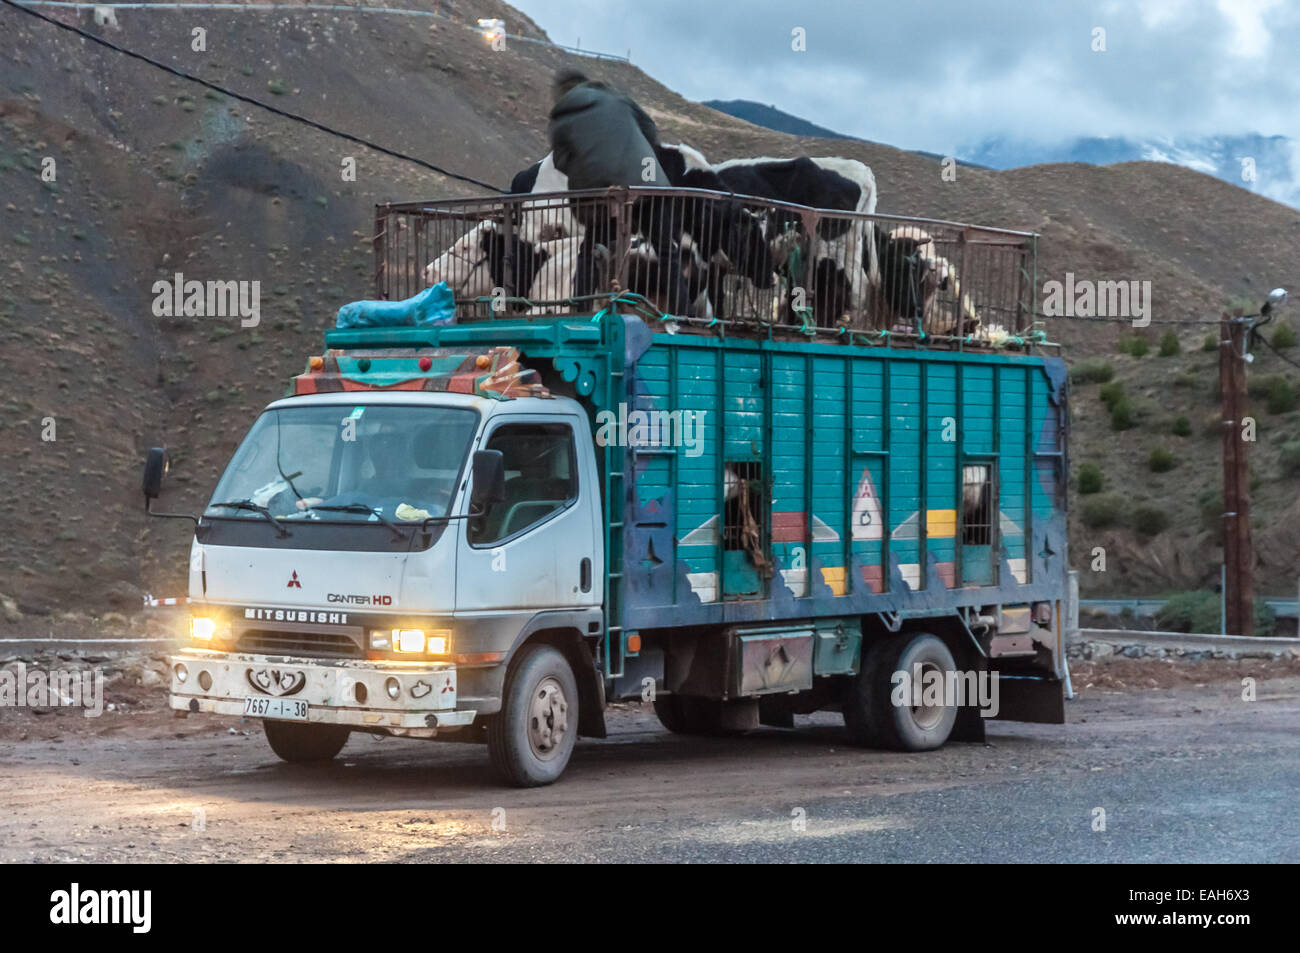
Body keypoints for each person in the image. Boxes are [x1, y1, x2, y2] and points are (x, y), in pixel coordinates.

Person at [547, 69, 689, 311]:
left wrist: (589, 169)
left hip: (605, 193)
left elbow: (560, 161)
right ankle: (683, 315)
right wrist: (640, 163)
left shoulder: (561, 118)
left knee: (591, 251)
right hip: (650, 182)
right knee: (666, 251)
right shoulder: (618, 99)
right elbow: (649, 129)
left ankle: (579, 310)